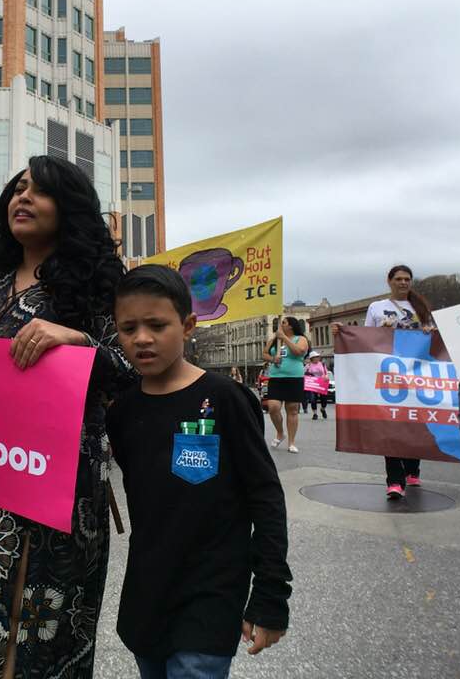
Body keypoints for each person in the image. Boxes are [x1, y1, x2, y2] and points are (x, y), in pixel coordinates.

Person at [0, 155, 132, 679]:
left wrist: (76, 339)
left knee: (46, 611)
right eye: (17, 188)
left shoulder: (94, 282)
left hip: (65, 479)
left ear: (69, 206)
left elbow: (131, 364)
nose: (23, 197)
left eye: (39, 190)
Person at [107, 265, 291, 679]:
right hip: (146, 600)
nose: (141, 338)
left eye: (157, 325)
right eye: (128, 327)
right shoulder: (121, 412)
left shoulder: (226, 399)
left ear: (188, 325)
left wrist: (271, 595)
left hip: (211, 597)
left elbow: (265, 497)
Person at [364, 265, 434, 499]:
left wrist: (428, 330)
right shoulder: (377, 308)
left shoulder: (421, 307)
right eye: (399, 279)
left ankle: (412, 469)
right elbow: (365, 339)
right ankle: (394, 480)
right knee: (391, 424)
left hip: (416, 374)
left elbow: (434, 338)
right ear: (389, 281)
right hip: (388, 373)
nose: (403, 283)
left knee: (414, 422)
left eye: (407, 279)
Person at [262, 317, 309, 453]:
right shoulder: (274, 340)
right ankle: (280, 432)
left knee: (292, 409)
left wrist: (285, 338)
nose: (280, 325)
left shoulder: (300, 339)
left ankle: (291, 442)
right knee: (273, 407)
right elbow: (264, 354)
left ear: (291, 326)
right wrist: (272, 358)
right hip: (276, 377)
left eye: (284, 322)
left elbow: (299, 351)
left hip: (294, 377)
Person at [303, 351, 328, 421]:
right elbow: (303, 373)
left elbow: (326, 373)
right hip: (312, 384)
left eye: (318, 357)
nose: (317, 358)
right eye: (315, 357)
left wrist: (326, 377)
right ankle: (315, 414)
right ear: (312, 358)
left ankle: (323, 409)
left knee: (324, 399)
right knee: (313, 399)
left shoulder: (322, 364)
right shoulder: (308, 365)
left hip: (322, 383)